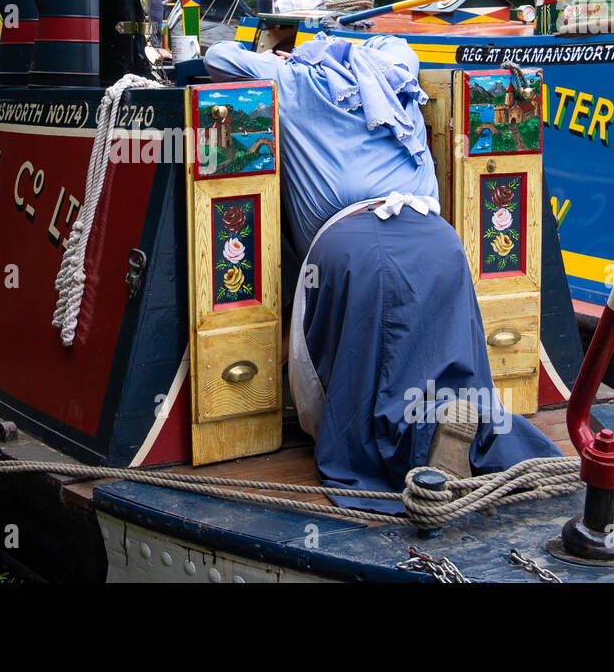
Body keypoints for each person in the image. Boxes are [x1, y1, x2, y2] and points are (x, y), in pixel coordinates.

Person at [203, 35, 557, 511]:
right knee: (439, 351)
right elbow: (399, 47)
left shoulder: (295, 82)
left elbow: (218, 57)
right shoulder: (392, 72)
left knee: (365, 368)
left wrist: (275, 60)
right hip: (438, 239)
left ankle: (407, 454)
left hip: (356, 244)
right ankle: (454, 428)